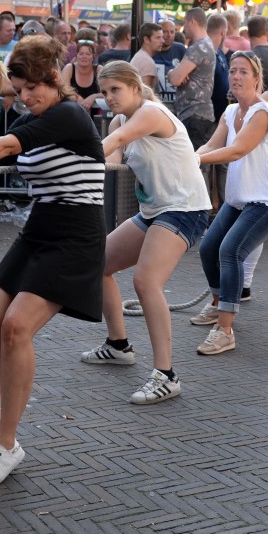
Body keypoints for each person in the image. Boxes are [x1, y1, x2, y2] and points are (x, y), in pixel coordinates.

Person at [0, 36, 105, 490]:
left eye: (31, 88)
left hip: (76, 234)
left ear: (52, 80)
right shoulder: (35, 115)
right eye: (18, 91)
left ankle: (8, 442)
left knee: (15, 327)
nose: (24, 98)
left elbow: (3, 146)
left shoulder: (68, 114)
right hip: (39, 227)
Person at [79, 61, 211, 403]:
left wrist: (74, 162)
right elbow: (113, 152)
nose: (109, 98)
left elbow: (117, 140)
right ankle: (119, 346)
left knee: (145, 281)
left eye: (115, 90)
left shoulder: (151, 113)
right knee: (101, 262)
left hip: (185, 209)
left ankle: (167, 375)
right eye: (105, 92)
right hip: (155, 210)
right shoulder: (123, 119)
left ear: (136, 88)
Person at [193, 51, 268, 355]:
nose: (236, 76)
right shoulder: (230, 111)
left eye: (243, 72)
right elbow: (213, 144)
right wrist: (191, 156)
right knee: (208, 247)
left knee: (231, 250)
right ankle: (217, 305)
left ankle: (225, 330)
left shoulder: (263, 112)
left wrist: (195, 159)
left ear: (256, 78)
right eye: (233, 71)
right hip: (242, 197)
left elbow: (237, 150)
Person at [167, 8, 216, 151]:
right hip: (198, 114)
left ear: (192, 22)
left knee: (191, 164)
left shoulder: (198, 47)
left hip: (194, 114)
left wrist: (171, 72)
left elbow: (176, 79)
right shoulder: (206, 44)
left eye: (185, 23)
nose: (183, 28)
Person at [60, 38, 101, 115]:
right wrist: (77, 98)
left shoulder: (99, 69)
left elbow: (108, 92)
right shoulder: (69, 68)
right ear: (76, 56)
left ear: (93, 56)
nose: (84, 57)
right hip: (71, 114)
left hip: (96, 117)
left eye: (88, 54)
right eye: (81, 54)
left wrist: (94, 97)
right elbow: (63, 91)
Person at [131, 23, 163, 90]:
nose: (162, 41)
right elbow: (146, 94)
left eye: (162, 37)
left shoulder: (141, 56)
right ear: (146, 39)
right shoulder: (146, 61)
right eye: (158, 38)